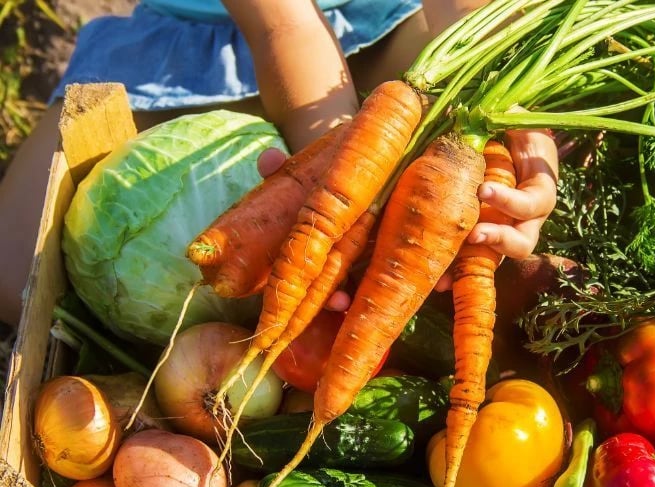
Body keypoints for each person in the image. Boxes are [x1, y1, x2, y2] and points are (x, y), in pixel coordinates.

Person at [0, 0, 557, 325]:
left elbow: (468, 9)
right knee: (12, 277)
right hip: (206, 41)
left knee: (484, 144)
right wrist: (344, 176)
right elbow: (283, 27)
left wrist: (527, 128)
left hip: (376, 20)